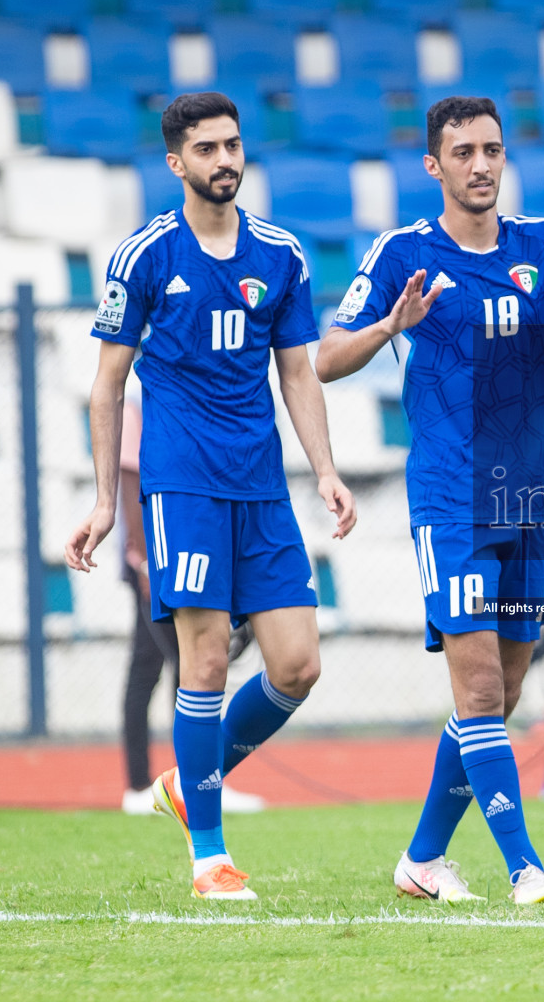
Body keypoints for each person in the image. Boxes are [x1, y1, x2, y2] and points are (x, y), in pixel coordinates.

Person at [316, 96, 544, 906]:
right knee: (484, 694)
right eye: (463, 152)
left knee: (508, 687)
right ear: (434, 165)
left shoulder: (542, 245)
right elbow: (325, 359)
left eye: (492, 149)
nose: (482, 164)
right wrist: (392, 325)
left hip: (529, 501)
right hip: (453, 501)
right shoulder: (403, 253)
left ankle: (423, 858)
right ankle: (526, 868)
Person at [67, 92, 357, 901]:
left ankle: (185, 782)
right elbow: (106, 385)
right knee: (202, 660)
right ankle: (209, 858)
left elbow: (297, 372)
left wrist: (325, 470)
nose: (225, 160)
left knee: (298, 666)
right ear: (176, 162)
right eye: (207, 149)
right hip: (181, 483)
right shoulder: (146, 255)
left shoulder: (283, 254)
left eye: (233, 145)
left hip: (261, 487)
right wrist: (102, 503)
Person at [117, 387, 264, 817]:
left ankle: (174, 781)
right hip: (153, 558)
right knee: (181, 664)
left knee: (155, 664)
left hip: (173, 553)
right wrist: (141, 560)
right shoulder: (137, 402)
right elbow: (129, 478)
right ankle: (183, 781)